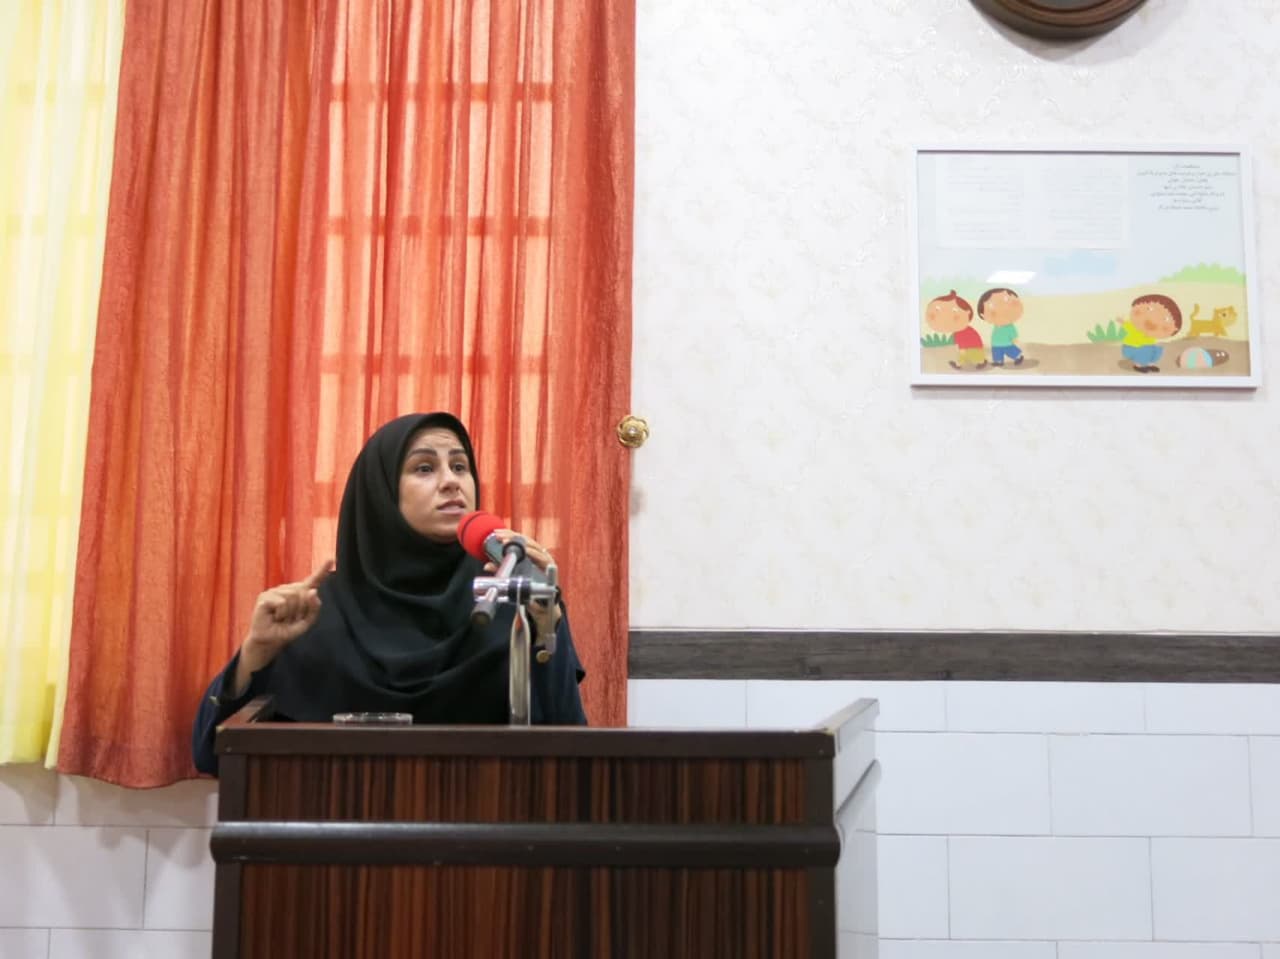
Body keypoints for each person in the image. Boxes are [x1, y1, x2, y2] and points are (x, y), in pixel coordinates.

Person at [191, 411, 586, 775]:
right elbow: (211, 755)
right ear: (379, 494)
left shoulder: (509, 599)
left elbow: (571, 752)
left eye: (460, 466)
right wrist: (254, 654)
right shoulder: (313, 613)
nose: (451, 481)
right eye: (425, 468)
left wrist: (548, 625)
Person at [978, 287, 1025, 367]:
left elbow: (1013, 333)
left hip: (1007, 343)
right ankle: (998, 361)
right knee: (997, 353)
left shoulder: (1009, 326)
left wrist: (1014, 339)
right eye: (993, 313)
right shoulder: (996, 325)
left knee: (1011, 351)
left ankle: (1018, 357)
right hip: (996, 343)